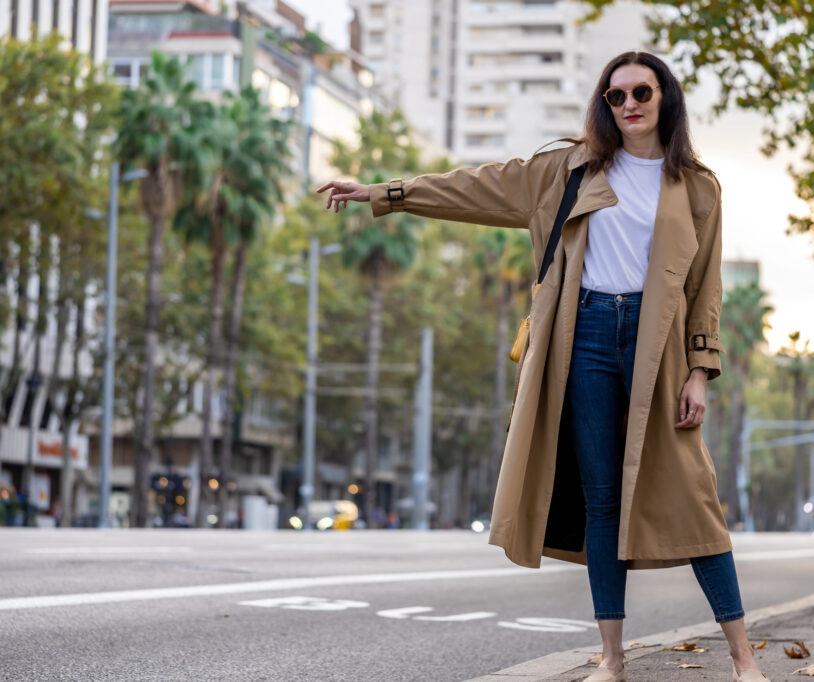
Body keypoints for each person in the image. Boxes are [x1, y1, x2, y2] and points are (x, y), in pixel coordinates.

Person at [318, 51, 768, 682]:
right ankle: (611, 659)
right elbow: (475, 187)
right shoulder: (567, 168)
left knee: (698, 496)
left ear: (665, 97)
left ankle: (744, 659)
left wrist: (700, 370)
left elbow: (705, 286)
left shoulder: (696, 187)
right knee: (601, 499)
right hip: (583, 334)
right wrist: (386, 193)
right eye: (615, 96)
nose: (629, 104)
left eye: (641, 92)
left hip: (658, 345)